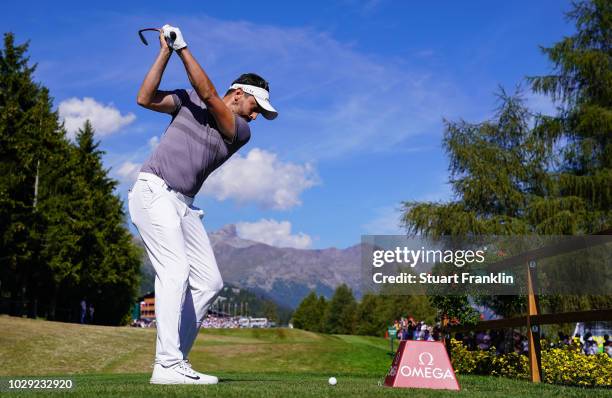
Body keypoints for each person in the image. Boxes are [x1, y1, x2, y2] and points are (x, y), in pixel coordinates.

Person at [128, 24, 278, 385]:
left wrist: (184, 48)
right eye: (256, 106)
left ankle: (174, 359)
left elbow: (210, 94)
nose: (257, 115)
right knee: (176, 271)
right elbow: (144, 98)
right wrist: (165, 51)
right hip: (154, 191)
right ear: (240, 94)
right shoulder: (187, 101)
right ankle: (166, 364)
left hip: (183, 205)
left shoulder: (240, 130)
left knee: (209, 282)